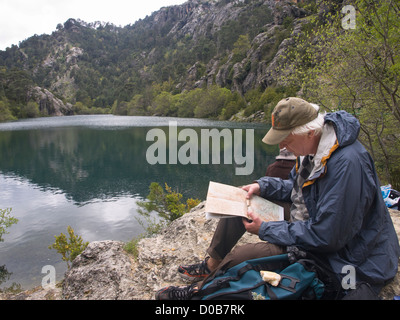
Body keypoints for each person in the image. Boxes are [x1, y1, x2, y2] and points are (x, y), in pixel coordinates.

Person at [156, 97, 400, 300]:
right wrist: (260, 186)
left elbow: (328, 237)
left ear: (309, 132)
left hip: (346, 253)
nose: (282, 145)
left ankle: (200, 292)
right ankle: (211, 265)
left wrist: (267, 230)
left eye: (286, 138)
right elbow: (296, 188)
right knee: (242, 204)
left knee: (243, 257)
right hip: (310, 221)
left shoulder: (347, 164)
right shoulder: (313, 148)